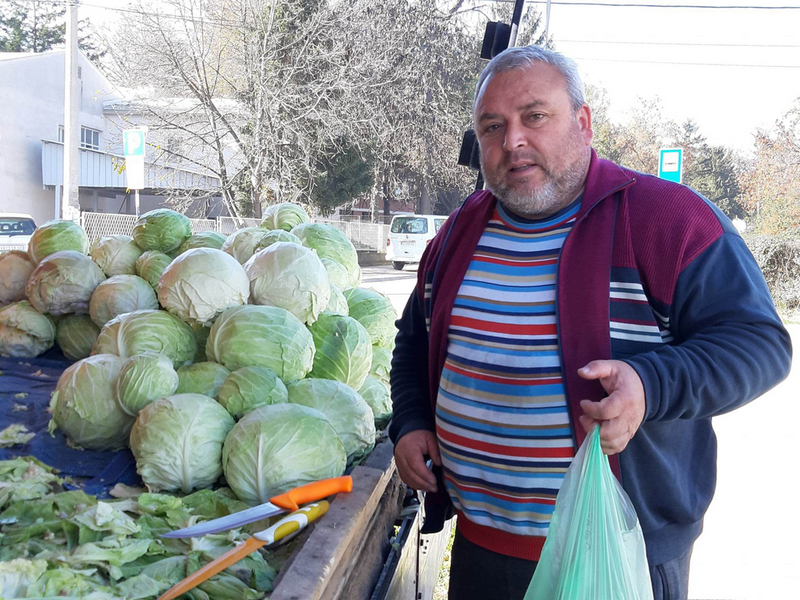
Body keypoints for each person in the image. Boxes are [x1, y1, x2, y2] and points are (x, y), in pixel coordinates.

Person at [388, 45, 792, 600]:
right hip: (482, 551)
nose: (513, 141)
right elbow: (413, 342)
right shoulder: (456, 234)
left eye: (534, 116)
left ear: (582, 122)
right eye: (492, 126)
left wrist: (649, 386)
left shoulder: (665, 218)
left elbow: (759, 344)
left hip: (617, 555)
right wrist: (410, 420)